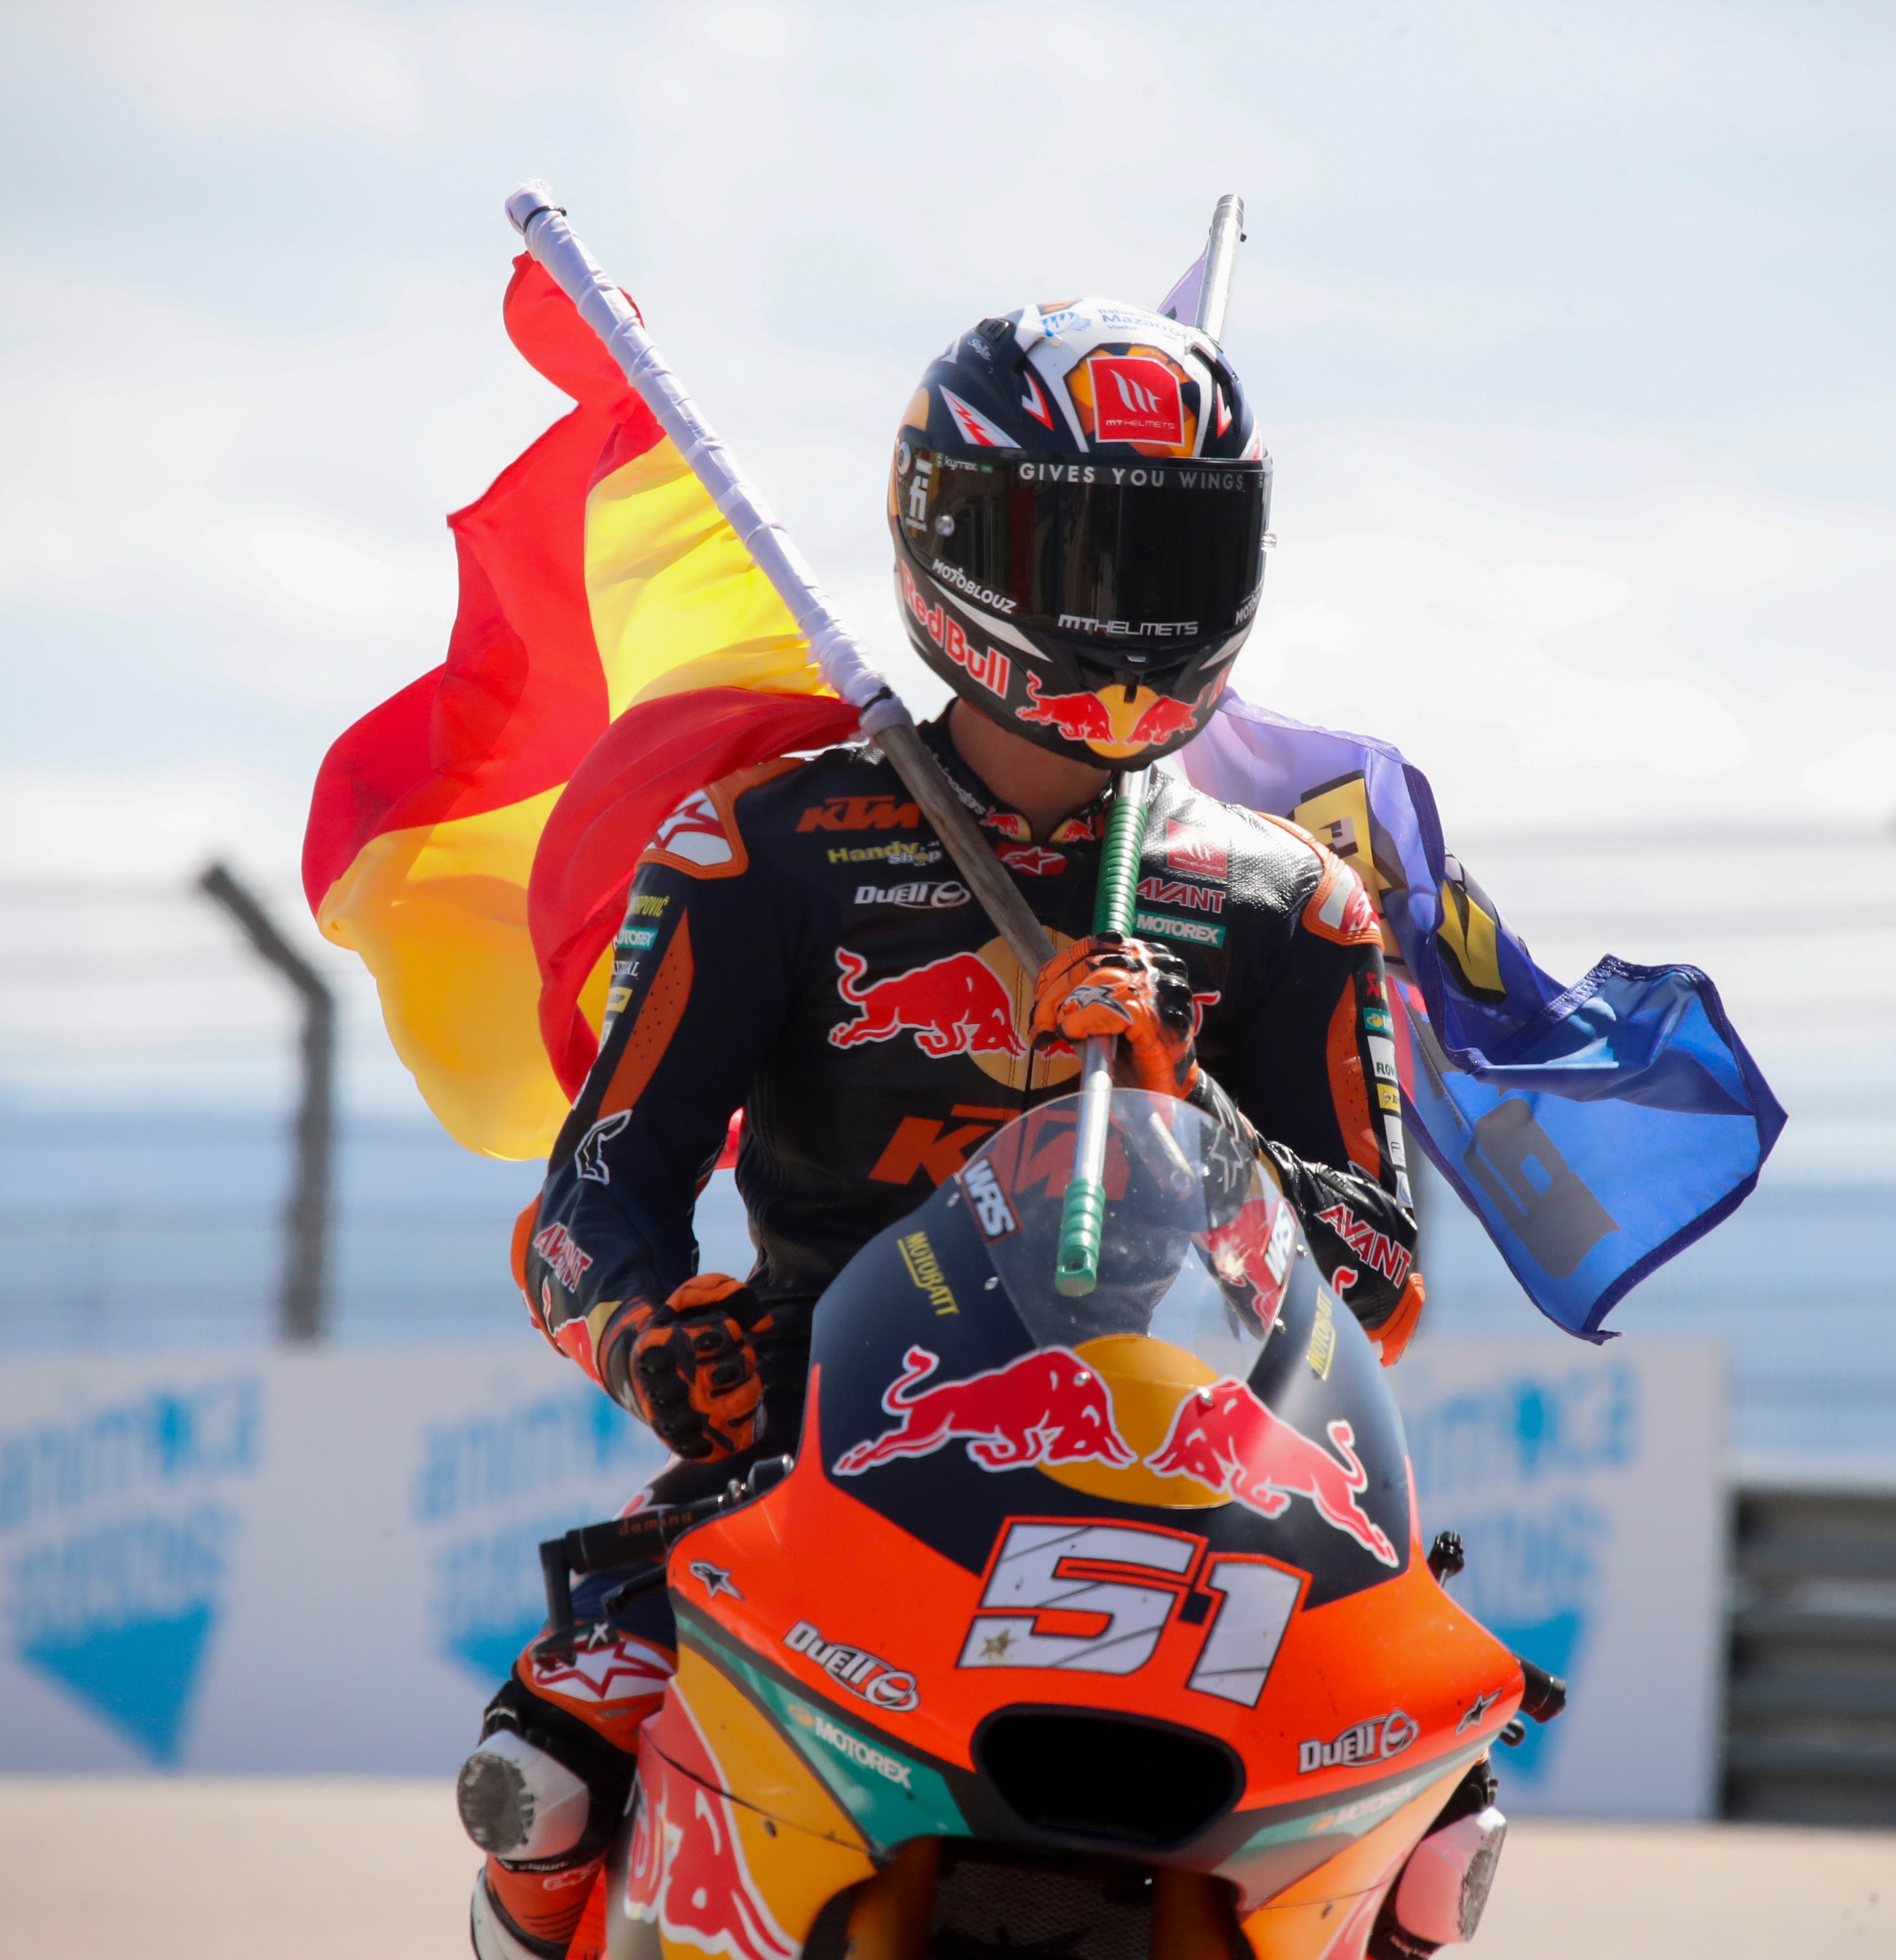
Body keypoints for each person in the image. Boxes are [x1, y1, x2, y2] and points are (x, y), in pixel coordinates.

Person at [457, 296, 1424, 1960]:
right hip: (822, 1470)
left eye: (1173, 556)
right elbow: (585, 1213)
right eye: (1085, 552)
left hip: (1195, 1509)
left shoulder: (1295, 904)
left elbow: (1380, 1284)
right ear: (951, 544)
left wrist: (1188, 1094)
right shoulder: (757, 854)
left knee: (1431, 1850)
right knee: (544, 1772)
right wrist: (650, 1346)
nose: (1131, 611)